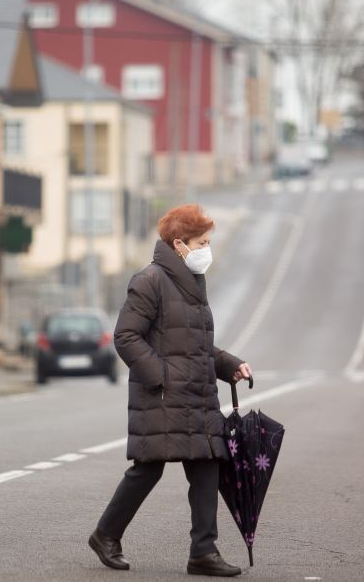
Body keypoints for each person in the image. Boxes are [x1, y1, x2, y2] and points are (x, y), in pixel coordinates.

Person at [89, 204, 253, 577]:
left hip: (197, 394)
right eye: (202, 242)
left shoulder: (192, 283)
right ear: (180, 245)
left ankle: (203, 552)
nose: (207, 249)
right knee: (148, 468)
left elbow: (191, 344)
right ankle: (106, 534)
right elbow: (125, 336)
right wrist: (161, 375)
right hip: (165, 395)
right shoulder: (150, 280)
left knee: (208, 463)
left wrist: (228, 365)